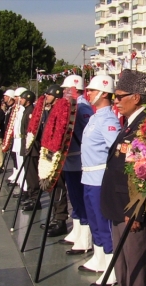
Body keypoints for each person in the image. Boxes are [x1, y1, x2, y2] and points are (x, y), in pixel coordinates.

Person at [98, 69, 146, 286]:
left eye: (119, 96)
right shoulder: (130, 123)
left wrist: (136, 212)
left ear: (136, 96)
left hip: (130, 209)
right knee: (121, 259)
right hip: (117, 204)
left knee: (135, 260)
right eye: (113, 96)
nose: (115, 101)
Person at [78, 75, 121, 285]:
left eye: (93, 91)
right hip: (88, 176)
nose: (89, 94)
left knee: (104, 224)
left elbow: (116, 151)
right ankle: (99, 257)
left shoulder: (109, 120)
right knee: (94, 221)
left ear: (104, 93)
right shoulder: (95, 118)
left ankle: (112, 269)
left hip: (100, 179)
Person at [22, 85, 69, 237]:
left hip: (57, 154)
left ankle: (60, 218)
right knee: (50, 187)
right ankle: (55, 216)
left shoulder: (61, 110)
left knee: (58, 187)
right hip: (47, 151)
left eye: (48, 95)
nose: (46, 97)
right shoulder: (48, 111)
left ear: (56, 96)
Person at [57, 75, 94, 254]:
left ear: (75, 89)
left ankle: (86, 239)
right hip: (71, 157)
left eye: (66, 89)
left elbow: (88, 130)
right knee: (74, 197)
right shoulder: (73, 105)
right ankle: (78, 230)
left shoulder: (83, 106)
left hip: (79, 159)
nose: (63, 92)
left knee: (80, 198)